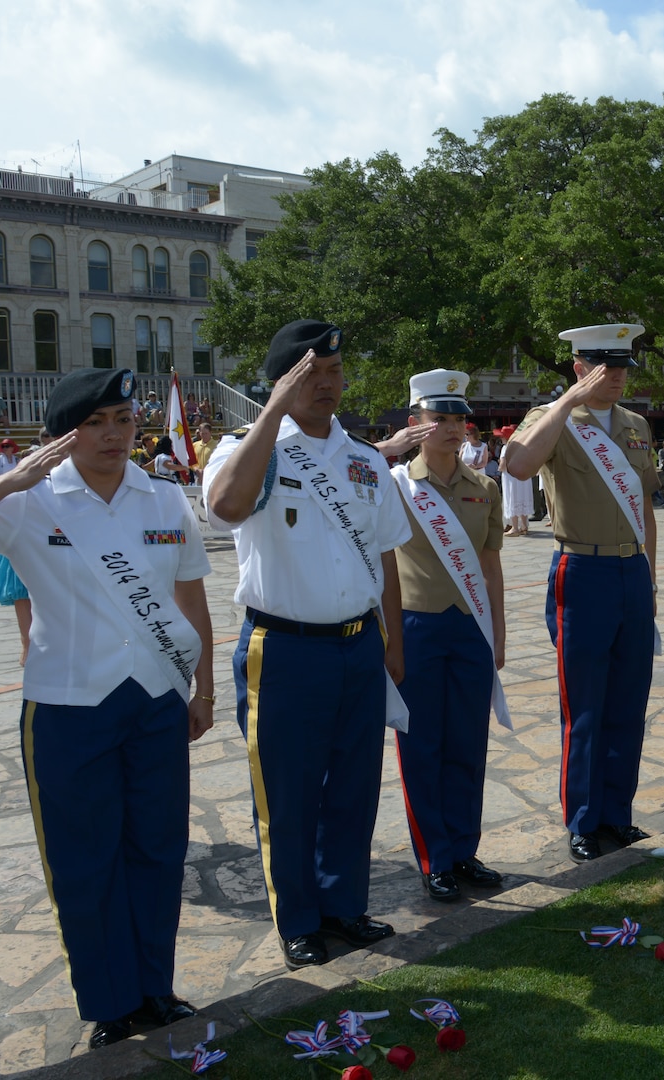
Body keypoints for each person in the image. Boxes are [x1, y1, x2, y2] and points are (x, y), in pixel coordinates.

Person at [0, 367, 214, 1051]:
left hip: (157, 700)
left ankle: (156, 988)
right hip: (70, 709)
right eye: (93, 423)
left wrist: (204, 687)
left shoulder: (164, 501)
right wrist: (7, 481)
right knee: (83, 860)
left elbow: (192, 602)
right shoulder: (26, 504)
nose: (111, 435)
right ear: (59, 437)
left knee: (157, 850)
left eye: (123, 420)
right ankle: (110, 1002)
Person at [203, 319, 411, 969]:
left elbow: (387, 560)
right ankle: (298, 919)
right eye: (310, 374)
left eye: (334, 372)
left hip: (356, 646)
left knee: (352, 789)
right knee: (289, 796)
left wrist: (393, 648)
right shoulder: (248, 450)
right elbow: (226, 507)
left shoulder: (366, 458)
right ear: (279, 383)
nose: (327, 384)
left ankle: (344, 906)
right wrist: (270, 416)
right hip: (283, 651)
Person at [503, 323, 660, 863]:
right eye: (604, 368)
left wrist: (651, 576)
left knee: (629, 700)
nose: (617, 377)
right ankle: (584, 820)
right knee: (585, 706)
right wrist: (567, 401)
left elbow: (644, 507)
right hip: (582, 571)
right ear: (578, 367)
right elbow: (518, 464)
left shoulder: (638, 425)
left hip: (631, 572)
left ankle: (618, 813)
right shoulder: (556, 422)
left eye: (621, 368)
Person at [376, 370, 507, 903]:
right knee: (422, 744)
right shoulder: (394, 486)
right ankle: (434, 857)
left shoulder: (485, 488)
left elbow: (491, 562)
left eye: (458, 419)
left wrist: (498, 632)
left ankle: (464, 849)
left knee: (468, 743)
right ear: (415, 425)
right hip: (417, 626)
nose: (452, 429)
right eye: (439, 419)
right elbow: (383, 566)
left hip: (470, 627)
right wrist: (390, 643)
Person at [500, 435, 534, 536]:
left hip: (511, 477)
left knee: (512, 499)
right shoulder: (524, 446)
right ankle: (524, 526)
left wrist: (500, 468)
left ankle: (515, 528)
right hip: (523, 476)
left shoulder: (506, 448)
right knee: (522, 499)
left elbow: (503, 465)